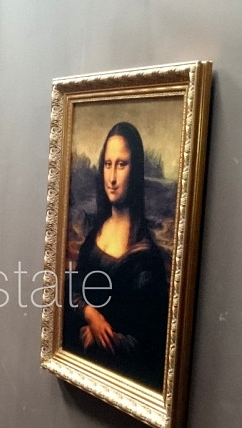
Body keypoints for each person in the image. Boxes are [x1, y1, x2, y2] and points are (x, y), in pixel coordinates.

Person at [63, 122, 169, 390]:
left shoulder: (146, 260)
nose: (111, 177)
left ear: (136, 170)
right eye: (107, 164)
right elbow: (73, 289)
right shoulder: (94, 235)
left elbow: (149, 344)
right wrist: (90, 314)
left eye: (121, 165)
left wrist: (102, 338)